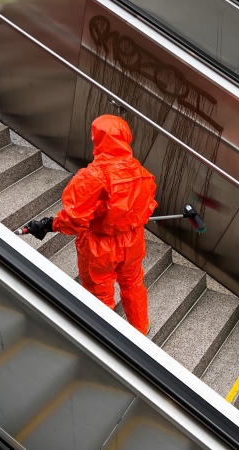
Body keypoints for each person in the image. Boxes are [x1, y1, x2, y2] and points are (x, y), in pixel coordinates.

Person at [24, 115, 157, 335]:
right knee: (133, 284)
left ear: (98, 140)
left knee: (100, 295)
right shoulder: (142, 173)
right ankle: (140, 329)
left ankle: (104, 339)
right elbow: (147, 206)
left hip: (100, 247)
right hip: (133, 240)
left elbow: (74, 219)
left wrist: (49, 225)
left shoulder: (93, 177)